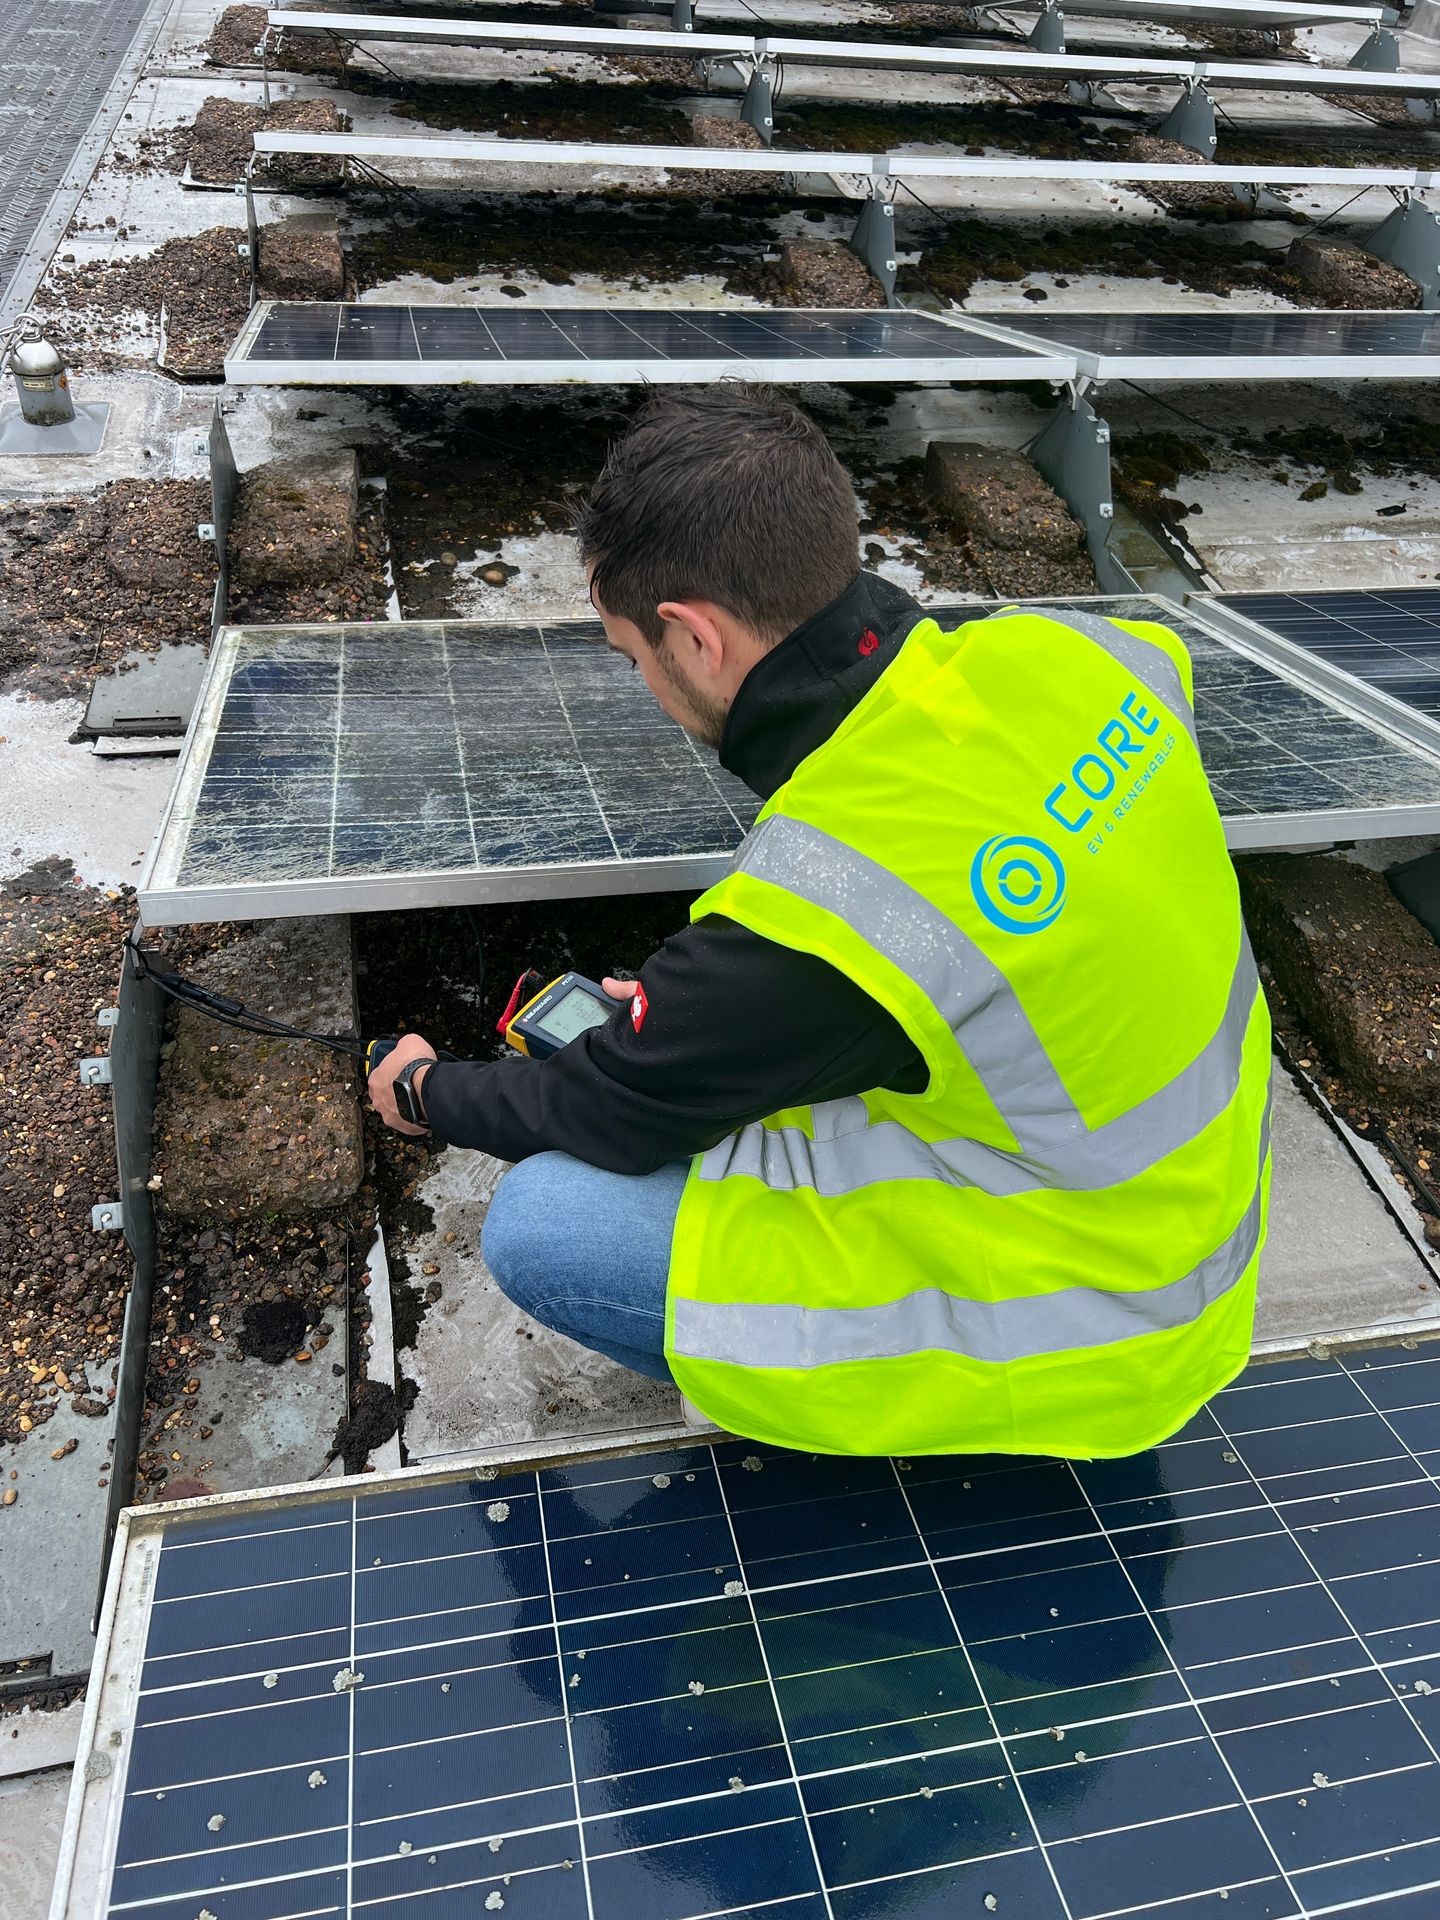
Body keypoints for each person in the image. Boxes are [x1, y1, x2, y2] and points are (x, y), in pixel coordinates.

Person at [369, 383, 1272, 1459]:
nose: (646, 690)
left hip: (1095, 1336)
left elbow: (604, 1108)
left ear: (693, 636)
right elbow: (996, 948)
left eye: (632, 657)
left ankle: (867, 1409)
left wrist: (426, 1089)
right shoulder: (1079, 657)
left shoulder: (830, 909)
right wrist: (723, 1025)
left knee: (546, 1226)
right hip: (1192, 1221)